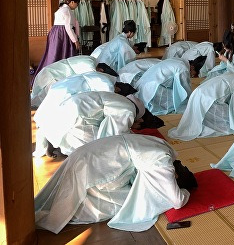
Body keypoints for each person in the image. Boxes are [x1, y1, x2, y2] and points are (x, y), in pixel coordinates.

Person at [34, 134, 196, 233]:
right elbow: (177, 201)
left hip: (88, 154)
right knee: (131, 205)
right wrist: (185, 191)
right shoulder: (161, 161)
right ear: (174, 174)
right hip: (94, 167)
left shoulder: (163, 147)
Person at [33, 90, 138, 158]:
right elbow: (114, 132)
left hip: (66, 108)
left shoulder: (117, 98)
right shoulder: (129, 110)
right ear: (139, 119)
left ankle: (54, 141)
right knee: (99, 152)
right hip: (78, 117)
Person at [168, 73, 234, 141]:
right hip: (209, 99)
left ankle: (201, 124)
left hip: (200, 92)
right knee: (233, 125)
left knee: (229, 116)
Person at [34, 0, 81, 78]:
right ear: (72, 2)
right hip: (63, 33)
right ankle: (61, 75)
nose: (77, 6)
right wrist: (75, 40)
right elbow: (68, 27)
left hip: (55, 32)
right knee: (64, 53)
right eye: (77, 4)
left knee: (53, 53)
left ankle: (47, 75)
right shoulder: (67, 11)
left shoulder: (61, 9)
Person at [134, 57, 199, 114]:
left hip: (145, 82)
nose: (191, 76)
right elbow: (184, 87)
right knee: (179, 101)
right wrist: (192, 99)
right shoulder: (183, 68)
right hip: (153, 86)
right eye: (192, 74)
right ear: (192, 67)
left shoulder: (178, 60)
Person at [31, 55, 96, 107]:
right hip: (54, 76)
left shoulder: (90, 60)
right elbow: (92, 76)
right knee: (42, 98)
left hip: (52, 73)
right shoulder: (90, 66)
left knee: (39, 97)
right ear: (101, 70)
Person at [34, 70, 117, 107]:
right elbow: (109, 99)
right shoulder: (108, 86)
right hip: (67, 90)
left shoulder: (102, 76)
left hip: (66, 84)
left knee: (44, 100)